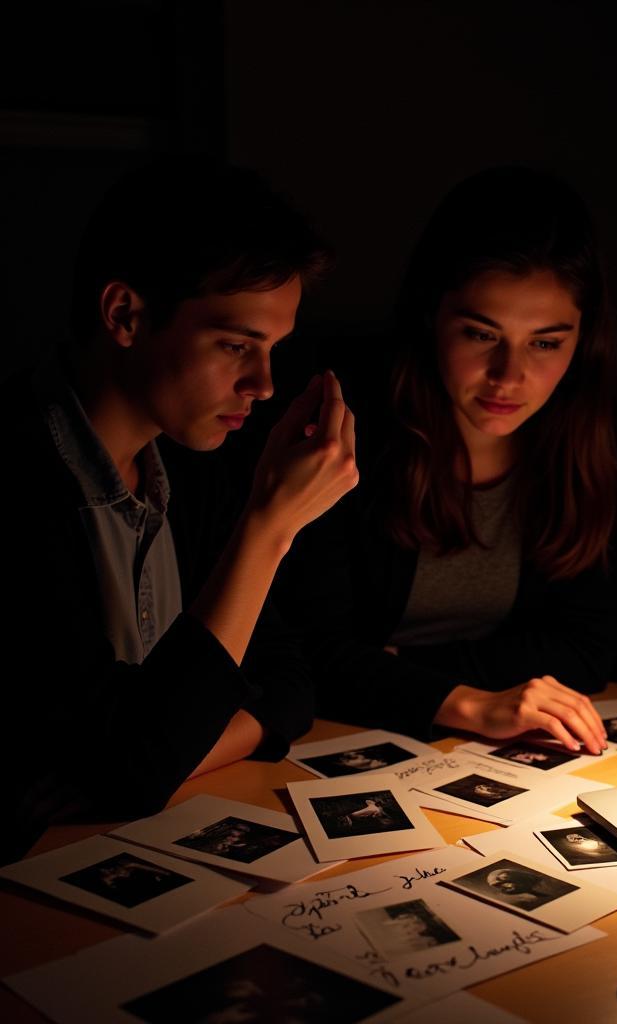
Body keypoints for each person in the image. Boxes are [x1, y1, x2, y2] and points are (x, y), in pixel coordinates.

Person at [3, 158, 358, 863]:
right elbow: (130, 769)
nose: (262, 384)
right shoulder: (18, 482)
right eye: (235, 345)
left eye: (273, 350)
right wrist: (269, 527)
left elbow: (290, 685)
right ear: (126, 316)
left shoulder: (193, 472)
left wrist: (165, 755)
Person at [281, 167, 617, 754]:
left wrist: (402, 665)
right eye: (481, 334)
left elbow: (587, 648)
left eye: (546, 342)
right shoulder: (346, 432)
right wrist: (468, 702)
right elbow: (309, 653)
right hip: (338, 739)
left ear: (582, 340)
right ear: (432, 318)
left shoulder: (585, 445)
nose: (510, 376)